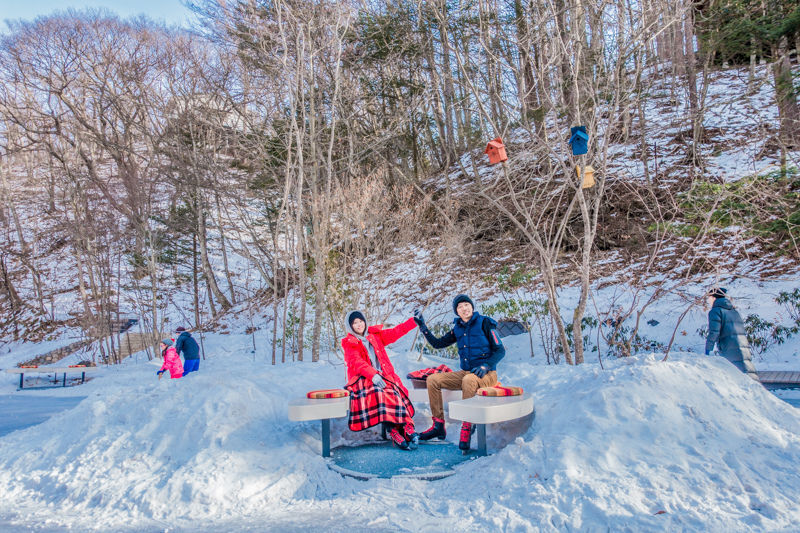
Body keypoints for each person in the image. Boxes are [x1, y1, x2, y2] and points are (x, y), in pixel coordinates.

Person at [414, 294, 506, 451]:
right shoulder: (458, 328)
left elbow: (500, 350)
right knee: (433, 380)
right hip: (467, 373)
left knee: (469, 380)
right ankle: (438, 426)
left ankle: (467, 425)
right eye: (460, 307)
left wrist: (485, 366)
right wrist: (423, 327)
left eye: (466, 305)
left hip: (487, 374)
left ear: (472, 306)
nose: (464, 308)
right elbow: (437, 344)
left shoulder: (485, 323)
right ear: (456, 311)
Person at [342, 310, 419, 451]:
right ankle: (393, 430)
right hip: (364, 379)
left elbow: (396, 332)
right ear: (350, 326)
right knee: (380, 393)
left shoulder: (375, 336)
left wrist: (413, 321)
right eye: (355, 323)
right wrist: (373, 375)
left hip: (384, 376)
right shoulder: (349, 343)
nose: (359, 325)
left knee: (394, 390)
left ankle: (407, 426)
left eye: (361, 321)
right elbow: (356, 362)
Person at [704, 287, 759, 381]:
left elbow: (714, 332)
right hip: (742, 345)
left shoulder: (716, 311)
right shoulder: (734, 311)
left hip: (729, 347)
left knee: (736, 375)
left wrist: (708, 349)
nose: (708, 300)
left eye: (709, 297)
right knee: (747, 372)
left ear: (713, 297)